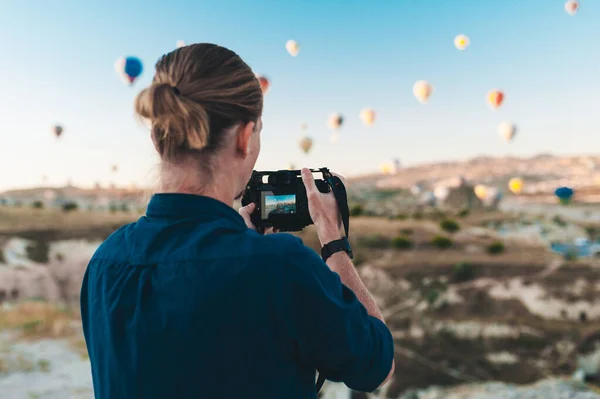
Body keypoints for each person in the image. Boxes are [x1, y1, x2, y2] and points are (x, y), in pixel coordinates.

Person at [80, 43, 394, 399]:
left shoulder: (105, 263)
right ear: (245, 137)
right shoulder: (280, 266)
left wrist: (238, 245)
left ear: (156, 139)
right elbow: (377, 366)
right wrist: (334, 242)